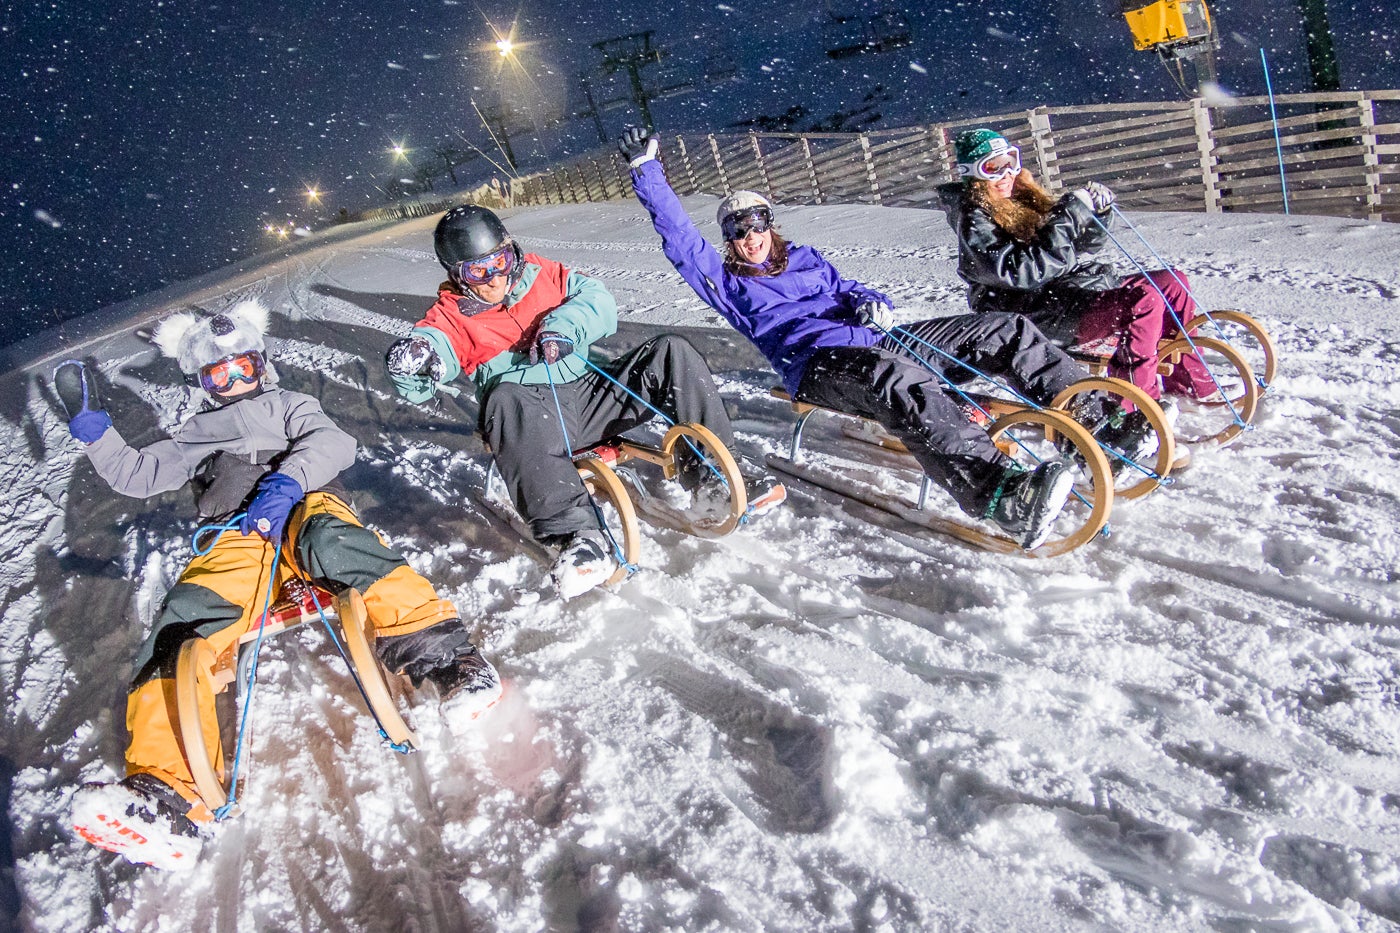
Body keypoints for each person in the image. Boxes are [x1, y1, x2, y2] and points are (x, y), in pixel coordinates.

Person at [61, 300, 501, 871]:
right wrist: (95, 432)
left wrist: (287, 483)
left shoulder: (292, 405)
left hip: (304, 507)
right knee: (184, 620)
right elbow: (136, 474)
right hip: (237, 538)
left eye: (243, 366)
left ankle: (452, 664)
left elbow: (335, 444)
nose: (236, 381)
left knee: (337, 544)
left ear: (260, 362)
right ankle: (166, 795)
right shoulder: (195, 435)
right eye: (220, 374)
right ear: (204, 382)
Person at [619, 127, 1139, 550]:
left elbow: (848, 288)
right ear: (728, 240)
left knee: (1008, 329)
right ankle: (1001, 494)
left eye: (756, 225)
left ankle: (1099, 427)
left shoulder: (805, 258)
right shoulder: (728, 283)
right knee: (895, 379)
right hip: (819, 365)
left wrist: (870, 300)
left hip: (875, 339)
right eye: (736, 230)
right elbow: (681, 240)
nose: (748, 237)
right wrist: (648, 172)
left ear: (770, 226)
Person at [385, 205, 784, 599]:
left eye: (501, 261)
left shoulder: (542, 274)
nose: (495, 278)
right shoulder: (450, 316)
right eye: (478, 271)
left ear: (512, 250)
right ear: (457, 275)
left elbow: (597, 299)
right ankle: (578, 536)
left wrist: (562, 328)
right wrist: (418, 361)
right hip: (533, 420)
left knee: (671, 351)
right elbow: (432, 352)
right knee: (504, 396)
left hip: (594, 393)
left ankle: (713, 480)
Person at [936, 127, 1216, 404]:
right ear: (972, 174)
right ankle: (1134, 405)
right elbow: (1024, 272)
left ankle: (1190, 382)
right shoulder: (974, 220)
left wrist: (1096, 216)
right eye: (992, 167)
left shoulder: (1021, 202)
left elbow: (1080, 247)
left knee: (1170, 281)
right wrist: (1069, 214)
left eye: (1010, 162)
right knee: (1143, 301)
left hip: (1061, 295)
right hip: (1029, 313)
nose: (1006, 174)